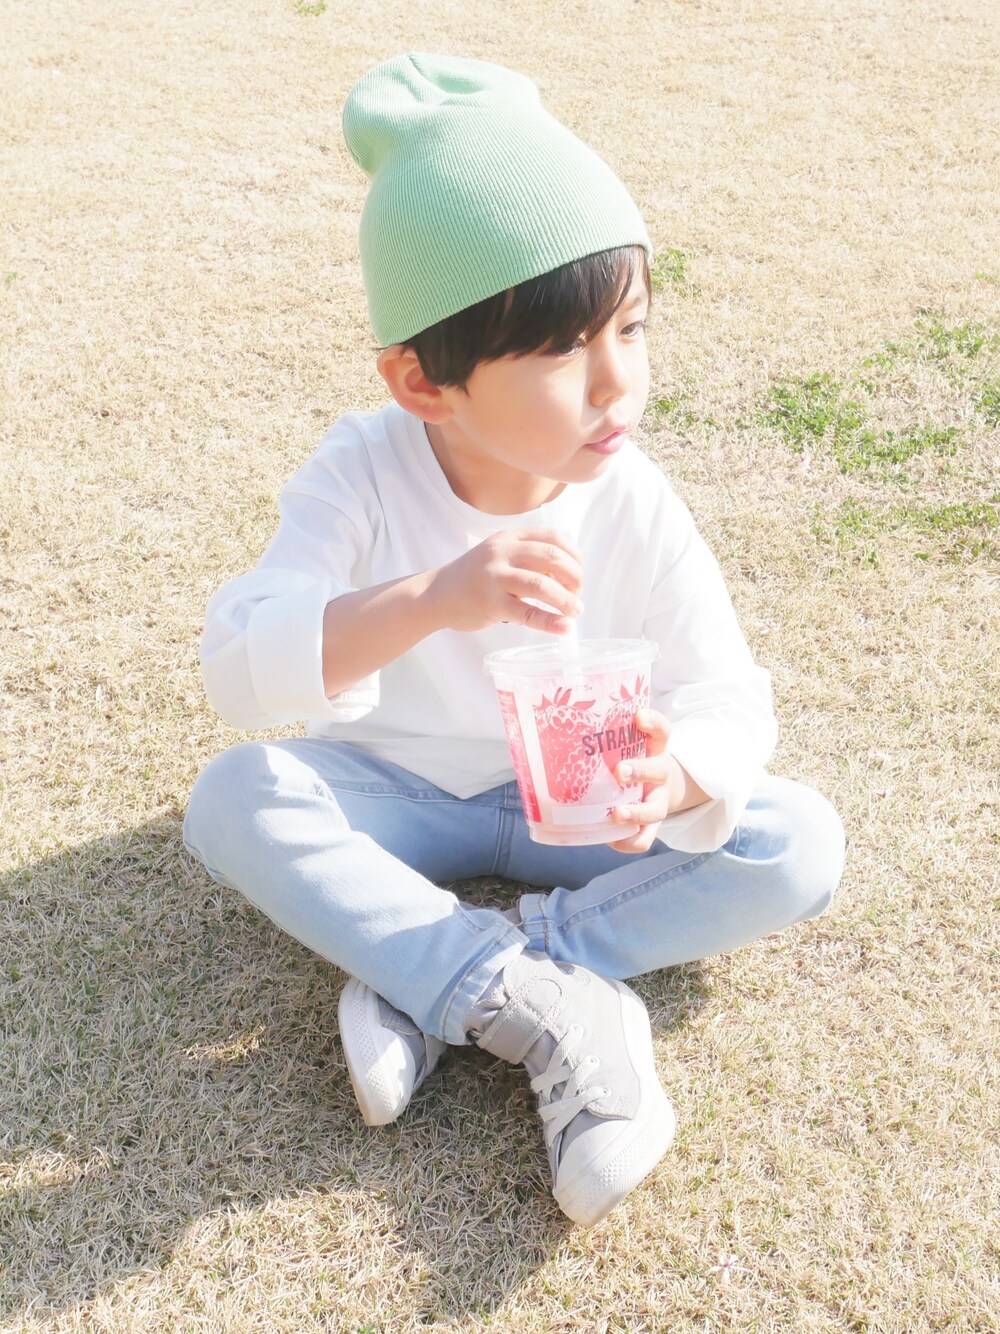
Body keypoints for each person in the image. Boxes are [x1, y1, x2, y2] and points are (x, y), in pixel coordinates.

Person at [182, 53, 845, 1228]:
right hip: (398, 788)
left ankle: (444, 966)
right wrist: (433, 596)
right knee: (235, 797)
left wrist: (677, 772)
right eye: (558, 352)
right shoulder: (362, 468)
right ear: (420, 381)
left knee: (796, 840)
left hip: (576, 806)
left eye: (631, 327)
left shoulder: (630, 494)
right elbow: (239, 665)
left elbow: (728, 692)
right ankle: (546, 1004)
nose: (615, 383)